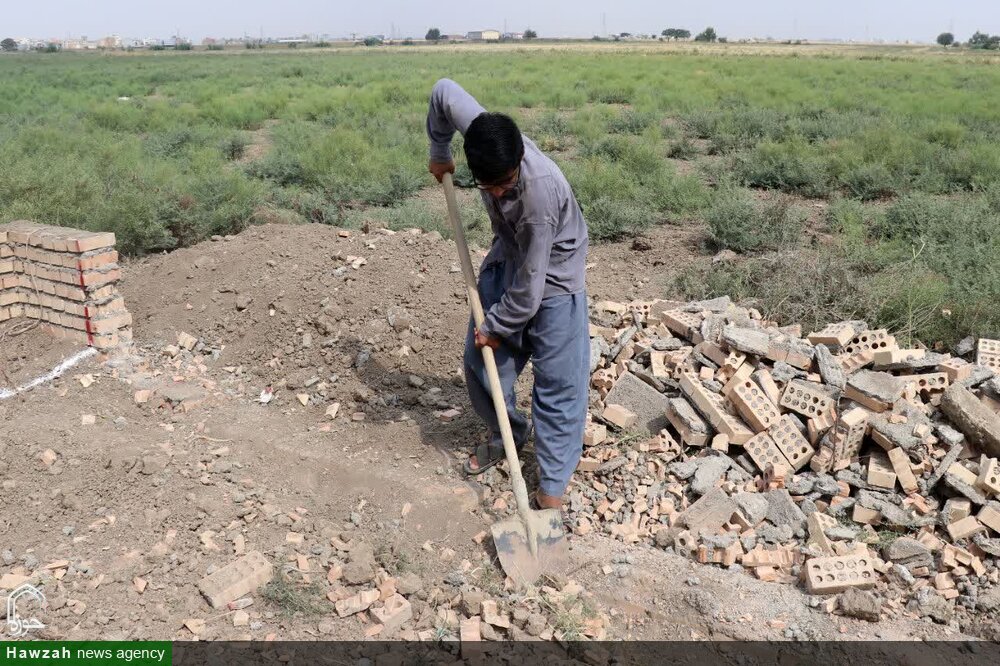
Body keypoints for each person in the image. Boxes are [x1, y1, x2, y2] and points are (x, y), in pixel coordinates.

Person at [426, 78, 590, 511]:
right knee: (481, 364)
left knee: (558, 385)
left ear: (520, 157)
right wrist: (440, 153)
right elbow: (444, 92)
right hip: (510, 255)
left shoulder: (538, 196)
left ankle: (552, 483)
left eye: (505, 184)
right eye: (487, 186)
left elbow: (532, 288)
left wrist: (495, 326)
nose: (498, 192)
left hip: (554, 279)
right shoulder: (485, 133)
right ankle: (509, 436)